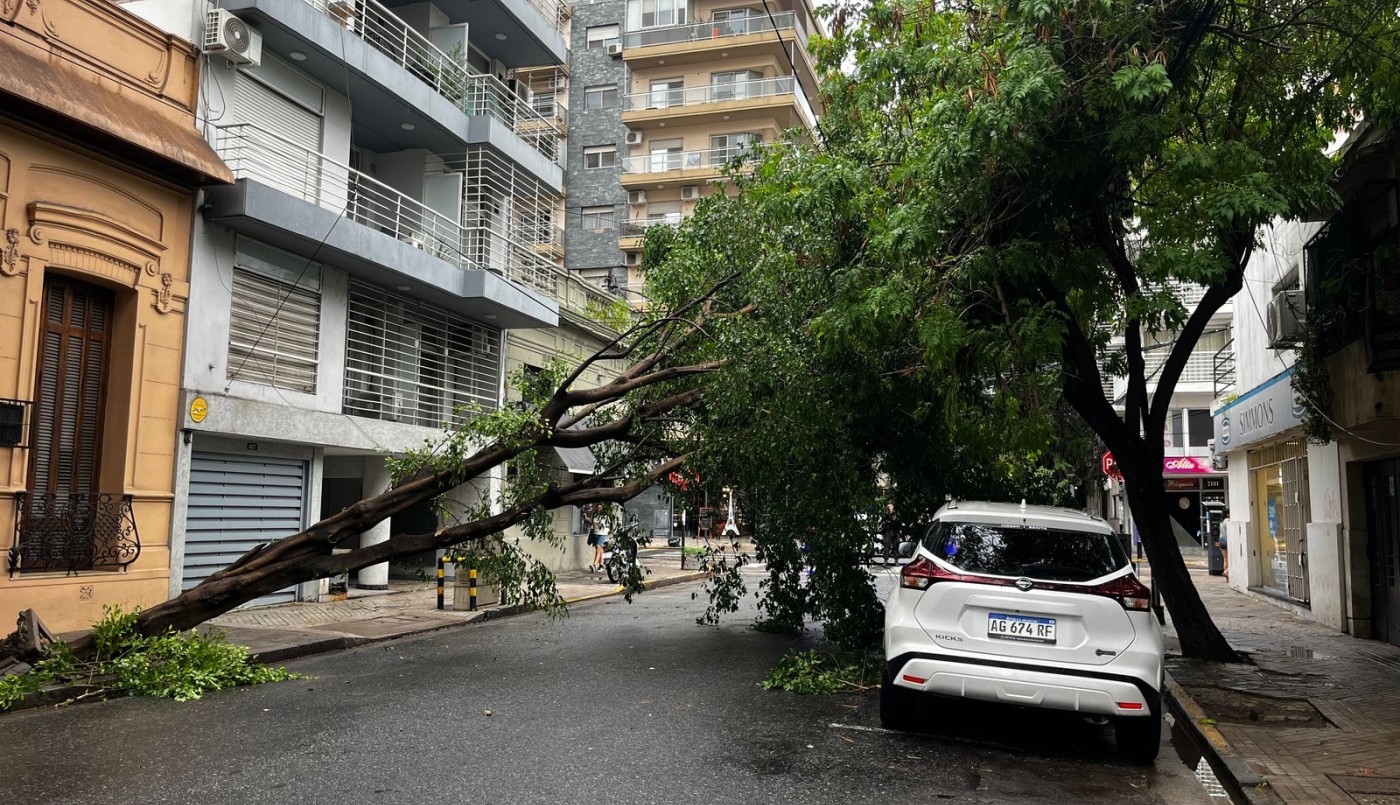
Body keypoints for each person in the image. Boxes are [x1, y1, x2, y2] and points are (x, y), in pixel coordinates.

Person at [591, 503, 613, 573]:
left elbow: (609, 525)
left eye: (600, 508)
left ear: (602, 509)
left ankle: (594, 564)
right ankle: (601, 564)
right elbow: (592, 523)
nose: (598, 509)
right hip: (595, 533)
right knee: (599, 549)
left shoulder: (605, 516)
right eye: (598, 507)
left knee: (598, 548)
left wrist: (608, 531)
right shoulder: (594, 515)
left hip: (602, 534)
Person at [1214, 508, 1231, 582]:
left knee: (1225, 559)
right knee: (1231, 559)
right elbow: (1229, 531)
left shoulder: (1221, 522)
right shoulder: (1227, 520)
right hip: (1226, 540)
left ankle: (1227, 577)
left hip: (1221, 540)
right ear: (1227, 514)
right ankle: (1226, 572)